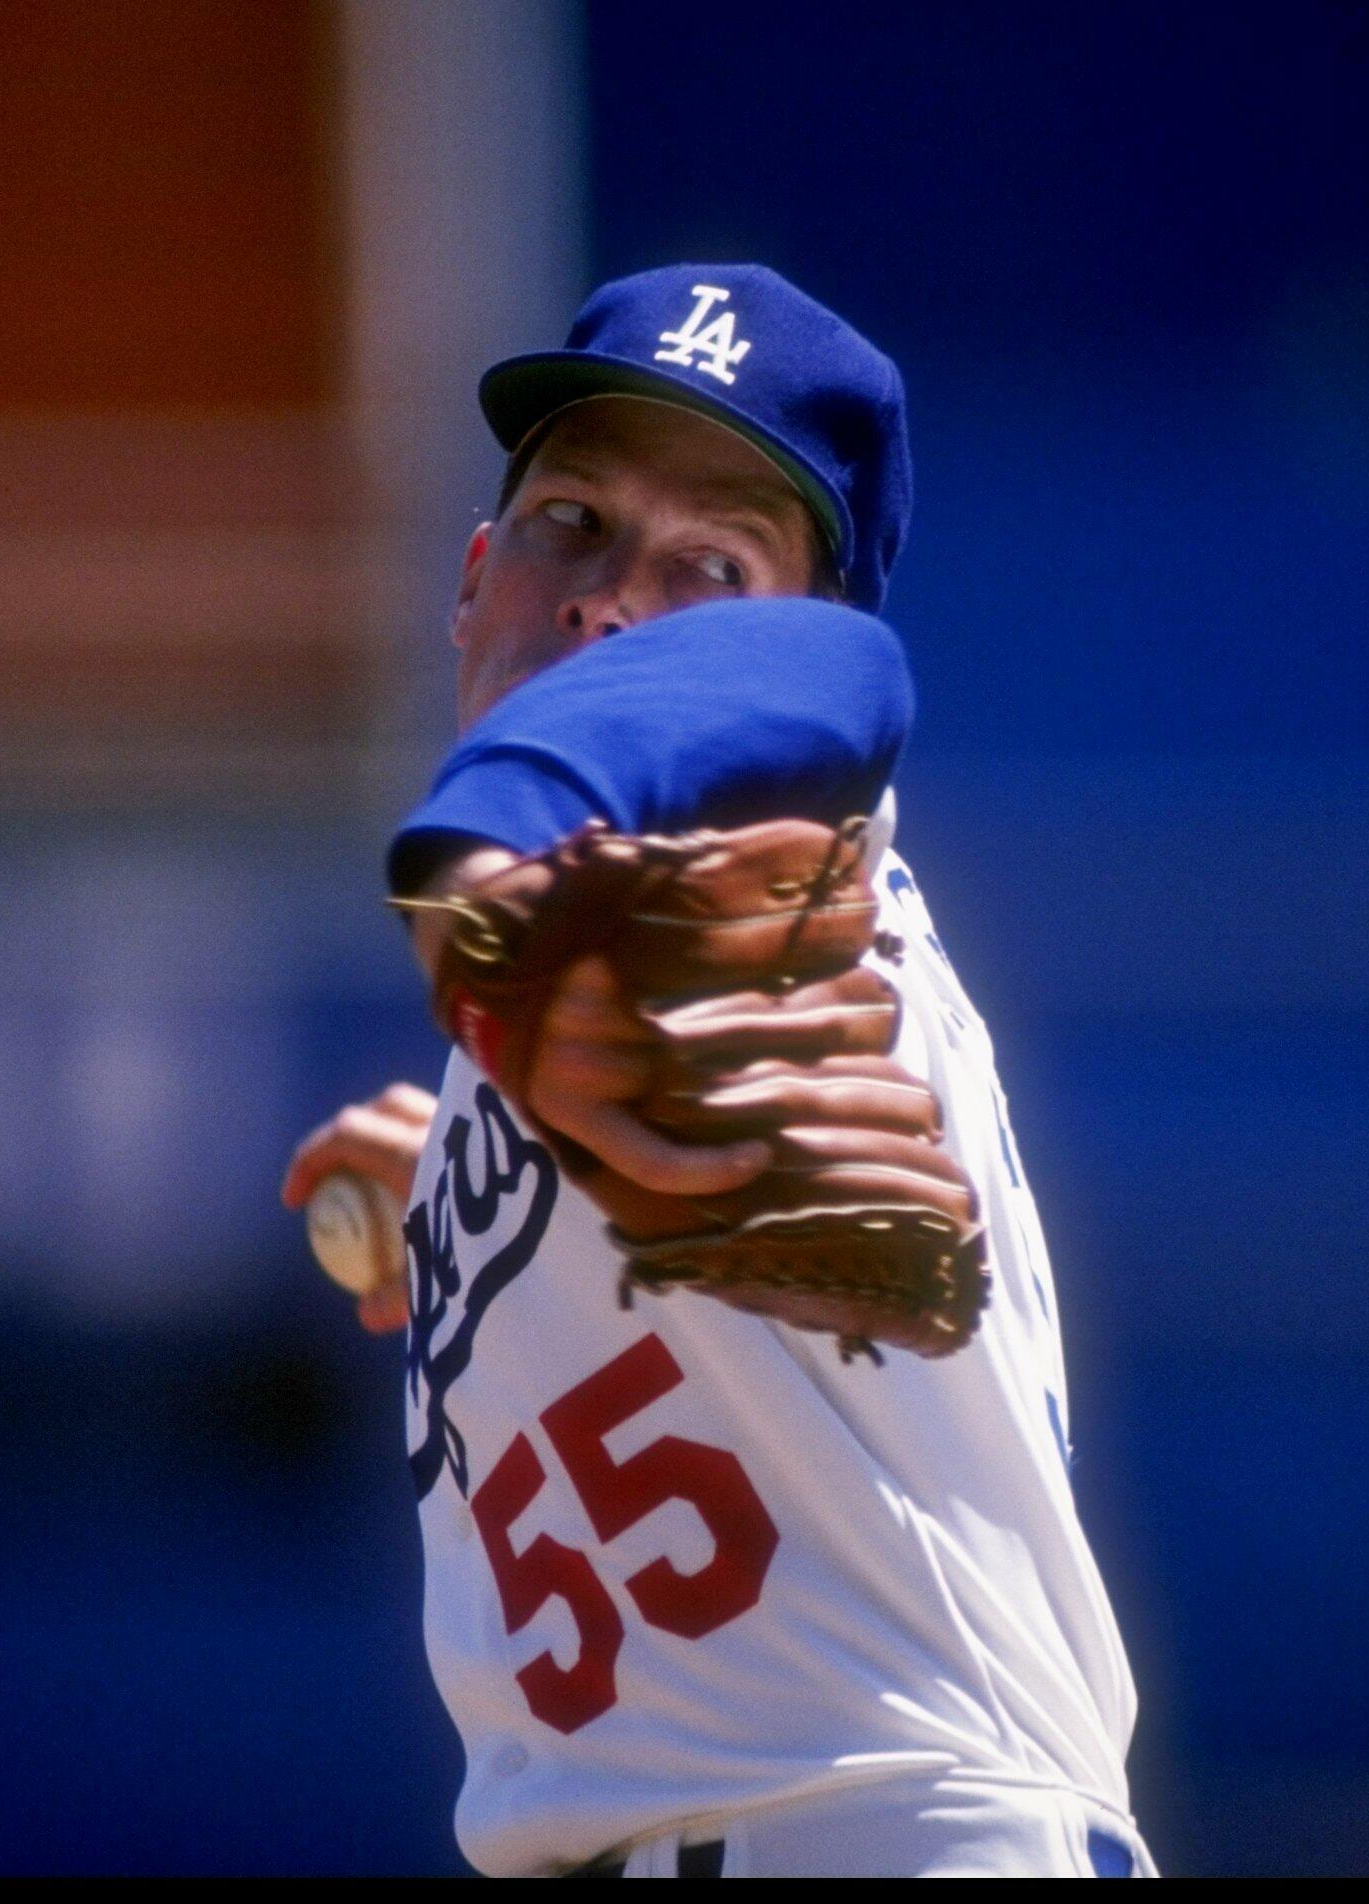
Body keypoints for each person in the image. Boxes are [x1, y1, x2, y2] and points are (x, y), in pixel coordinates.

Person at [278, 266, 1149, 1878]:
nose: (615, 603)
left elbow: (831, 682)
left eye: (714, 565)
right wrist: (466, 1196)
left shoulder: (791, 883)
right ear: (472, 579)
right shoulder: (561, 1014)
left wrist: (502, 836)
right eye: (573, 526)